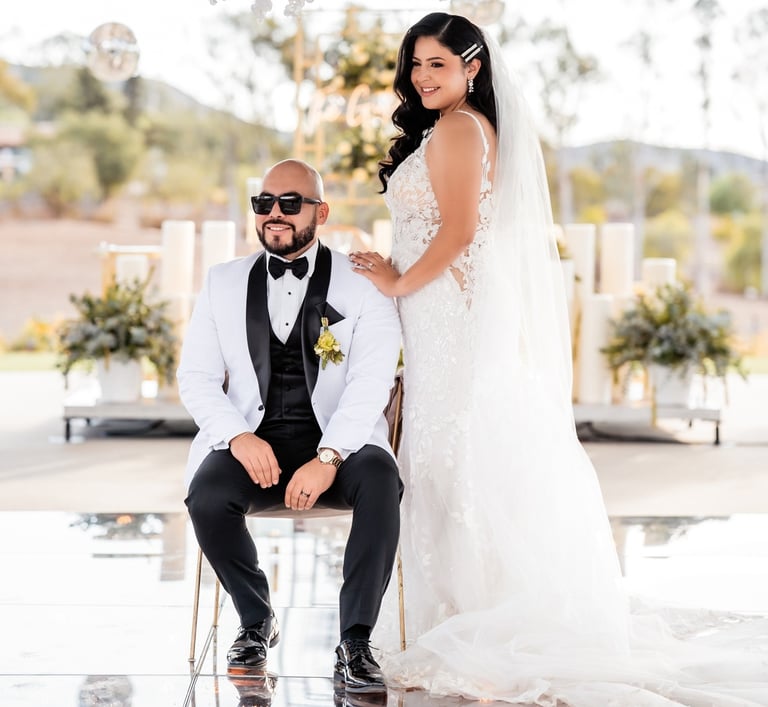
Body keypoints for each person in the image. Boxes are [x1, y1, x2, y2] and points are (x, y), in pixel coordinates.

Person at [350, 12, 768, 706]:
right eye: (416, 64)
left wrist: (395, 281)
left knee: (455, 458)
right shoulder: (452, 128)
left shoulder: (458, 129)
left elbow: (458, 232)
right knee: (449, 458)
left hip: (449, 313)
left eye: (438, 65)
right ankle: (461, 613)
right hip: (438, 313)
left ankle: (475, 621)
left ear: (473, 69)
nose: (423, 77)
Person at [178, 159, 403, 698]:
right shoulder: (222, 282)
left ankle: (355, 639)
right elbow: (196, 376)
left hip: (339, 442)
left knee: (381, 482)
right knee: (206, 495)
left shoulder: (365, 281)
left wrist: (329, 458)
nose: (274, 214)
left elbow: (373, 382)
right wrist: (237, 436)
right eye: (264, 203)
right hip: (253, 438)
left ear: (320, 212)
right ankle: (255, 620)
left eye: (290, 202)